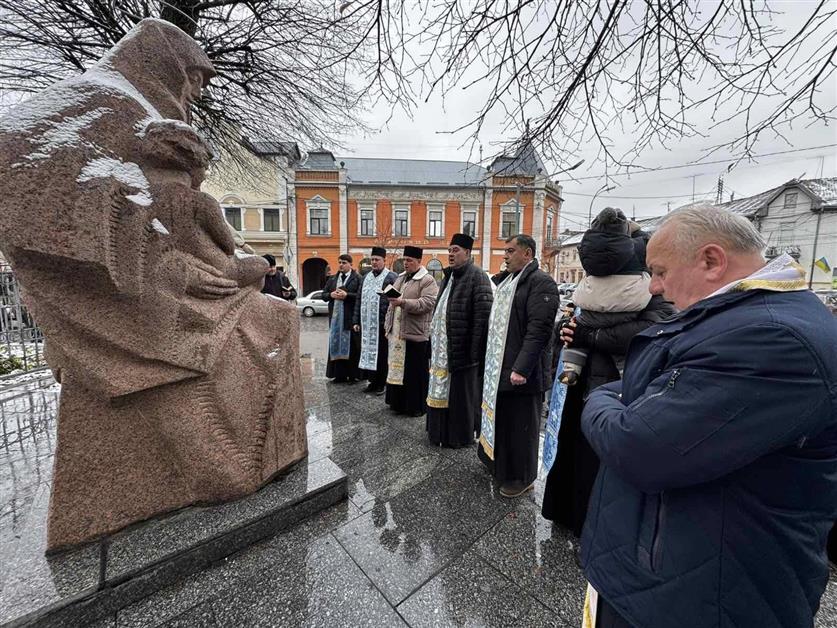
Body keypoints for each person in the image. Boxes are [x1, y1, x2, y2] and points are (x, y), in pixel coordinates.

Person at [578, 207, 837, 628]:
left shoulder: (771, 337)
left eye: (660, 271)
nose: (656, 288)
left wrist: (596, 398)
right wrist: (629, 397)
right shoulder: (744, 317)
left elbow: (638, 446)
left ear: (712, 261)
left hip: (701, 594)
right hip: (677, 573)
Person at [478, 234, 559, 497]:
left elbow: (539, 330)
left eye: (511, 250)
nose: (505, 255)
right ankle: (502, 466)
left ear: (527, 253)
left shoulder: (540, 282)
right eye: (505, 250)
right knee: (506, 422)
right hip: (502, 368)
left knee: (522, 428)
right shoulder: (509, 282)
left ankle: (522, 477)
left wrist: (521, 368)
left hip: (524, 374)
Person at [560, 208, 651, 384]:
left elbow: (649, 328)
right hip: (626, 303)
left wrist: (586, 335)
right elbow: (648, 241)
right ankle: (626, 373)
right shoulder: (637, 249)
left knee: (578, 329)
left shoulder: (591, 248)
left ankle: (571, 368)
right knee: (619, 355)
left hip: (590, 305)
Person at [426, 233, 493, 447]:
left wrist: (474, 354)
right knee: (443, 391)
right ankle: (440, 434)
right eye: (449, 250)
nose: (451, 254)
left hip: (463, 353)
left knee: (461, 398)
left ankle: (459, 437)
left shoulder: (478, 276)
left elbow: (482, 320)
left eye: (455, 250)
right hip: (443, 350)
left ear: (468, 252)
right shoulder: (449, 276)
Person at [384, 246, 438, 416]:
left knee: (414, 373)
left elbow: (428, 303)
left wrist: (403, 302)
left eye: (410, 260)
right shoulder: (400, 278)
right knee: (398, 370)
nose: (406, 263)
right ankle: (398, 404)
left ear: (419, 262)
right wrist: (388, 326)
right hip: (398, 332)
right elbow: (392, 303)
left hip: (415, 333)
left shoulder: (428, 280)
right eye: (404, 260)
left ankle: (416, 407)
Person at [352, 246, 397, 395]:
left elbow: (395, 299)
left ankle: (382, 384)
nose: (374, 262)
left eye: (377, 260)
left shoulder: (391, 277)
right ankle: (372, 382)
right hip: (366, 324)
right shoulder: (365, 277)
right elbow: (358, 299)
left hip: (381, 324)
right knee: (367, 352)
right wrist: (356, 321)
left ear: (384, 260)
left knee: (382, 355)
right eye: (372, 260)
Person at [321, 254, 361, 383]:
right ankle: (339, 375)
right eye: (339, 262)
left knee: (352, 348)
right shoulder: (333, 279)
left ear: (350, 264)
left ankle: (353, 375)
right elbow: (324, 295)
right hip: (335, 319)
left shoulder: (357, 278)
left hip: (350, 318)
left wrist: (347, 295)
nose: (341, 265)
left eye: (344, 262)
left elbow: (360, 296)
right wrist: (331, 295)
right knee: (335, 345)